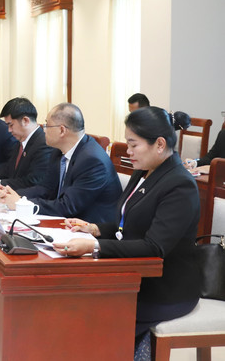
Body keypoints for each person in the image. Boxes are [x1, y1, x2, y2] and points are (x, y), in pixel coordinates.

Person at [54, 108, 199, 351]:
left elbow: (154, 247)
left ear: (159, 144)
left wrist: (95, 246)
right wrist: (94, 229)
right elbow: (129, 223)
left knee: (93, 316)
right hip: (131, 275)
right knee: (74, 303)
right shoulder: (144, 170)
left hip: (164, 289)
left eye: (133, 144)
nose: (128, 151)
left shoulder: (180, 184)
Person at [0, 102, 122, 224]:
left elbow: (67, 206)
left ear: (62, 130)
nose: (43, 130)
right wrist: (14, 195)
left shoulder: (92, 161)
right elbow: (46, 189)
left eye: (47, 125)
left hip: (88, 227)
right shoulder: (59, 151)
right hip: (65, 220)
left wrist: (21, 204)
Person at [0, 97, 54, 189]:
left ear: (25, 121)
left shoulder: (43, 144)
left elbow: (32, 181)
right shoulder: (21, 141)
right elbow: (9, 169)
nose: (9, 130)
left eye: (11, 125)